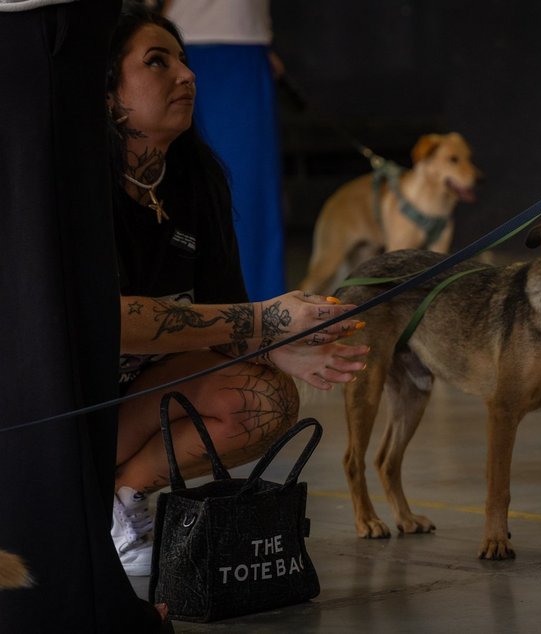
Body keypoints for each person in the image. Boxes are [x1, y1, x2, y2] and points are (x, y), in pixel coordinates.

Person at [104, 4, 369, 578]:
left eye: (183, 60)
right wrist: (265, 321)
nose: (186, 75)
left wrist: (284, 344)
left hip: (137, 399)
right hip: (64, 410)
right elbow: (113, 321)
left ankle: (121, 499)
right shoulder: (75, 187)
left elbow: (225, 308)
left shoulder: (197, 176)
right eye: (157, 62)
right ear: (106, 93)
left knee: (267, 397)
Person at [0, 0, 174, 631]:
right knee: (43, 311)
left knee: (58, 309)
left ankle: (66, 590)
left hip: (61, 25)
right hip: (34, 26)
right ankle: (49, 602)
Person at [163, 0, 288, 301]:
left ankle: (256, 315)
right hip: (195, 36)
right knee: (171, 171)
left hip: (233, 36)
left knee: (242, 186)